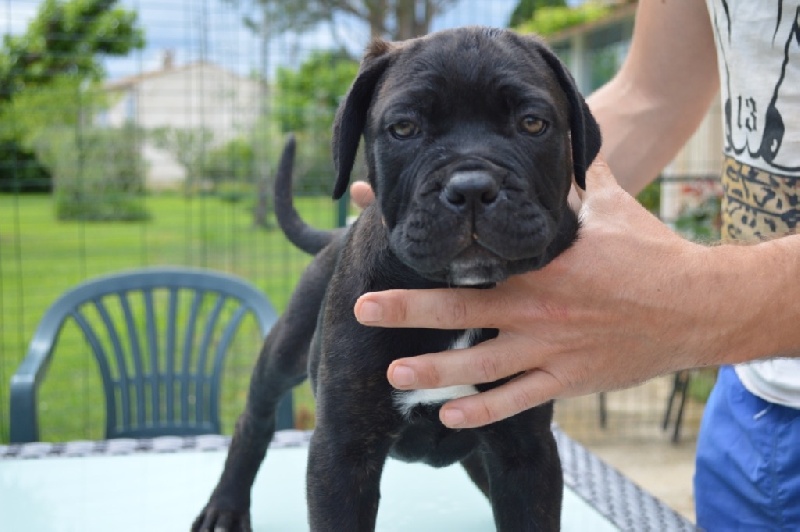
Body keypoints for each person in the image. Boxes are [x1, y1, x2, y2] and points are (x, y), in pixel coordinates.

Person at [349, 1, 800, 528]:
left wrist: (697, 300)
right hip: (754, 400)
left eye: (531, 121)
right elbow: (653, 94)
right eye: (404, 128)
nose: (469, 181)